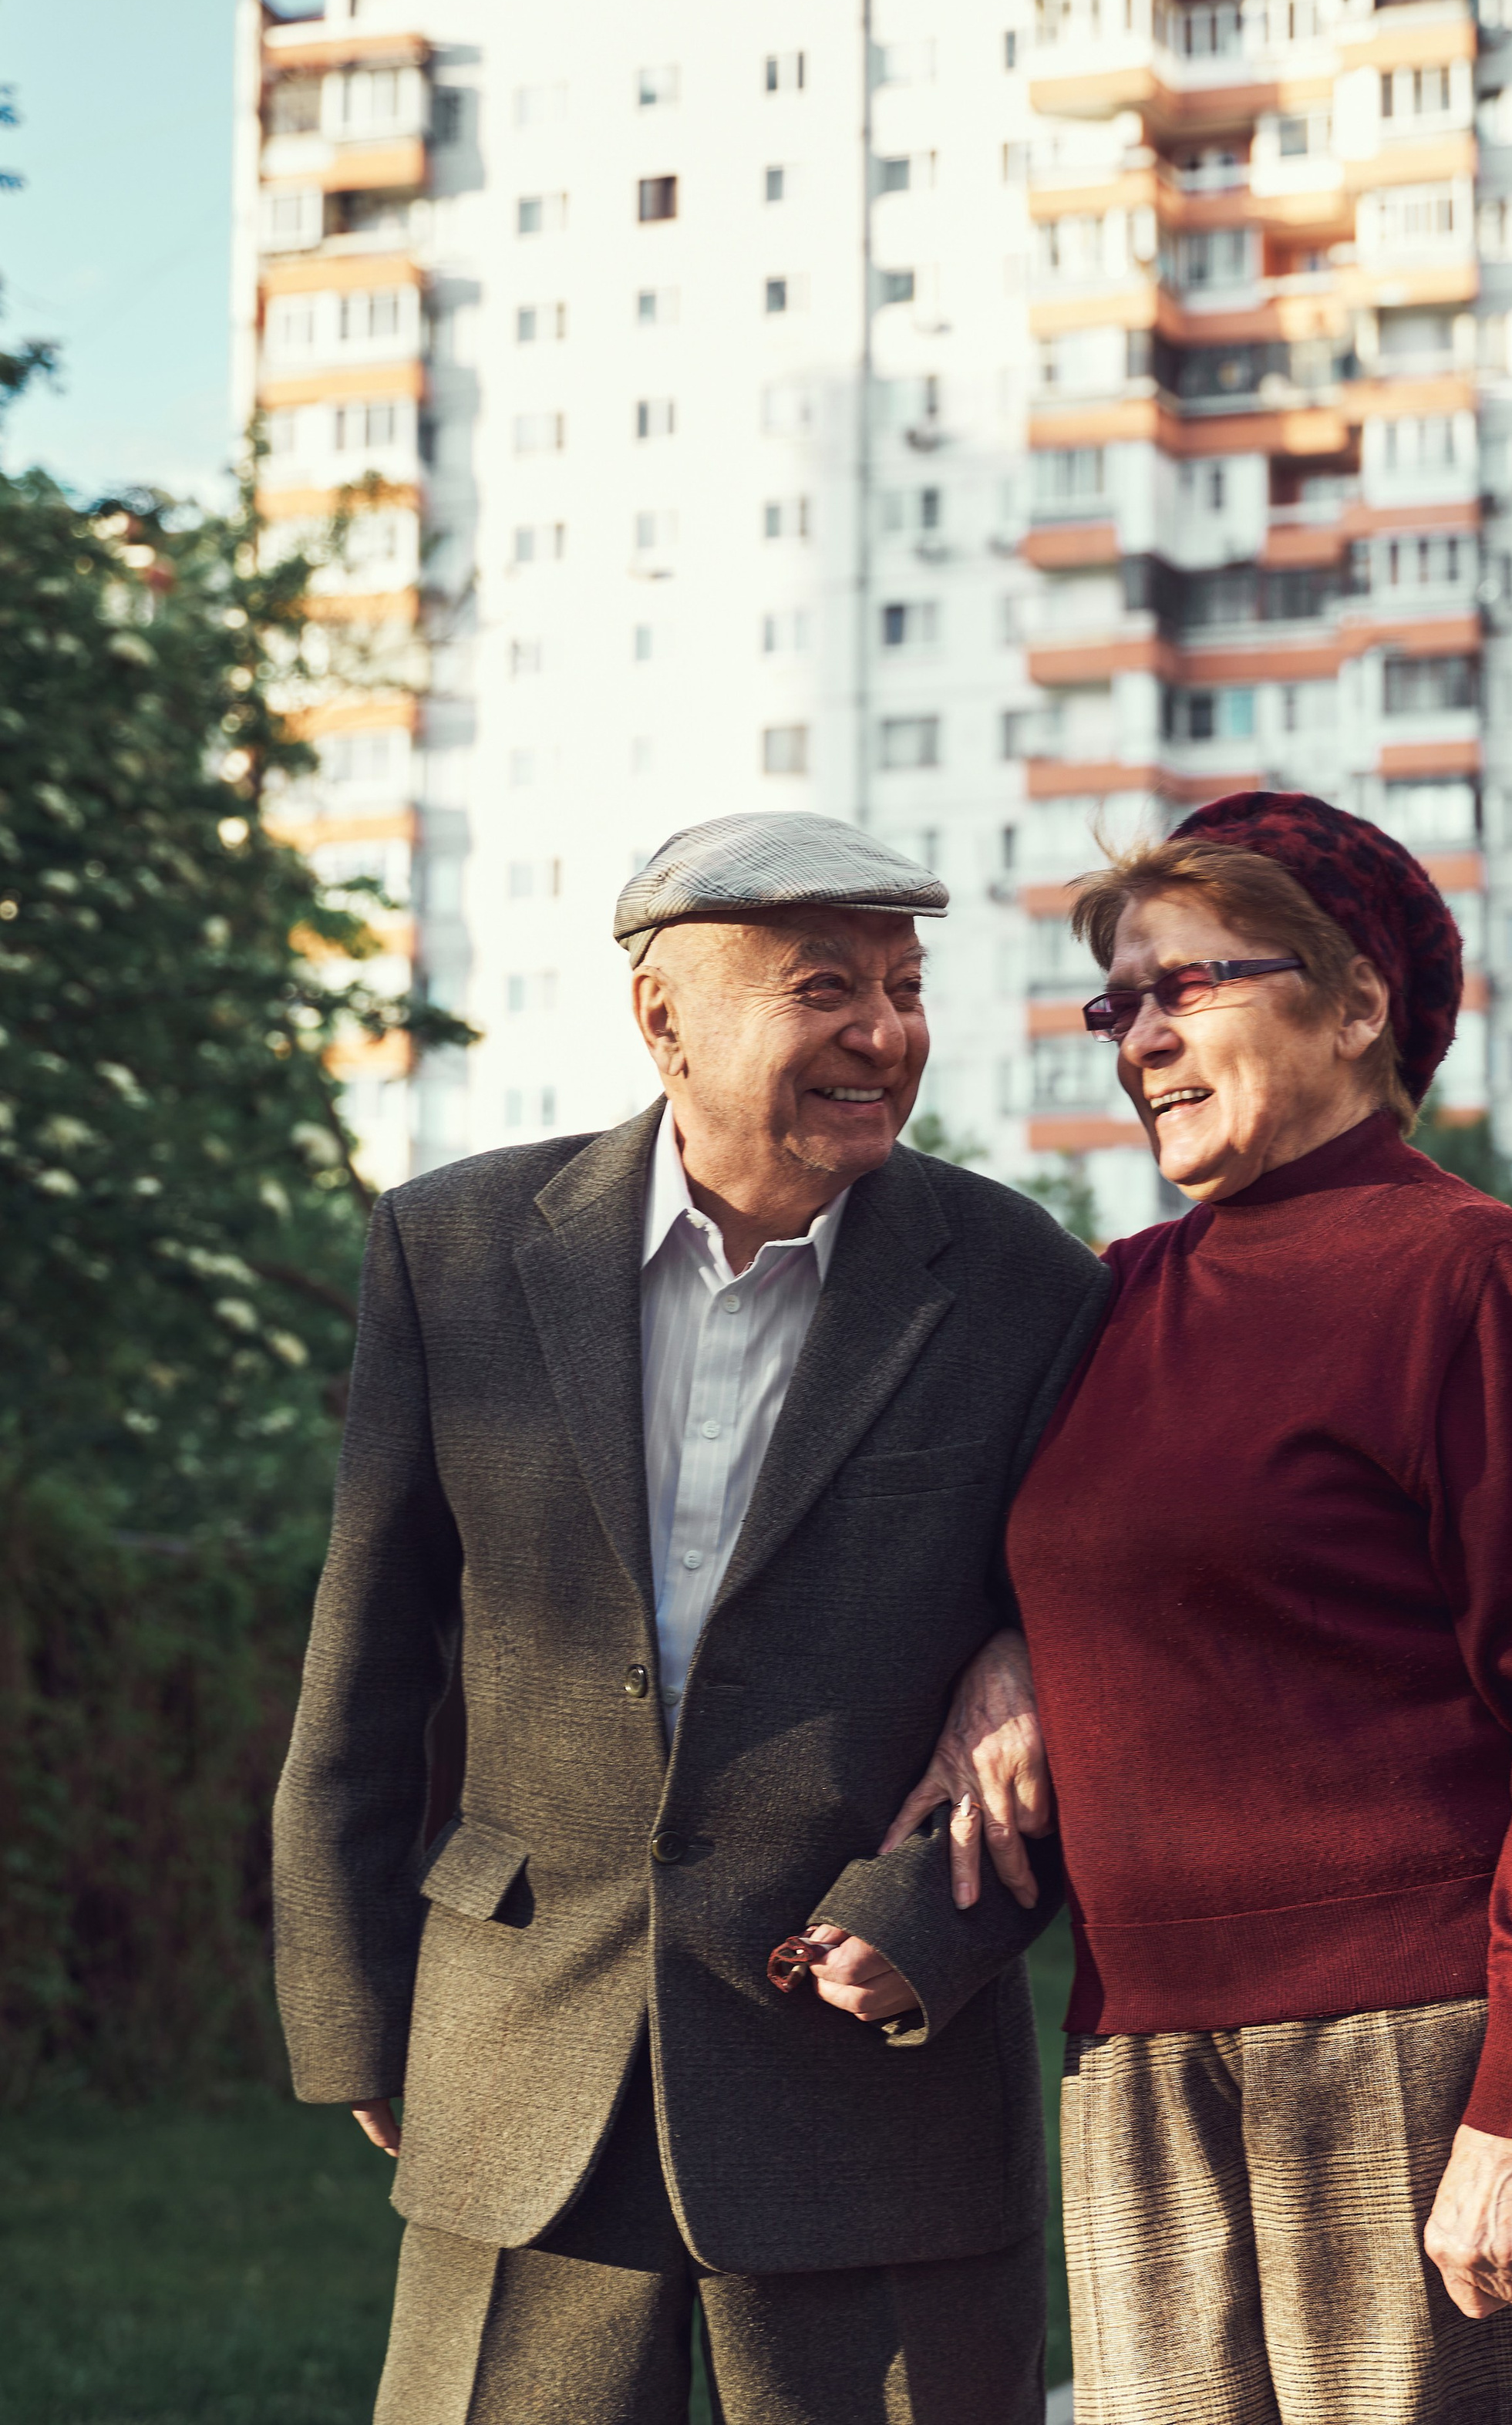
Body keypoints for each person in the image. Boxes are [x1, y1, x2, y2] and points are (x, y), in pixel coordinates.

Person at [272, 810, 1109, 2425]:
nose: (884, 1032)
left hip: (874, 2096)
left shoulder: (1024, 1282)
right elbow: (366, 1661)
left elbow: (1095, 1670)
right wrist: (353, 2008)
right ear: (663, 1017)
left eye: (904, 987)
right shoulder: (451, 1250)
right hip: (520, 2062)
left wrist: (930, 1920)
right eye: (826, 987)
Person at [888, 791, 1512, 2425]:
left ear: (1356, 1002)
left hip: (1409, 2055)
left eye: (1186, 985)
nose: (1138, 1039)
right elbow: (1060, 1569)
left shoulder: (1469, 1272)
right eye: (1117, 1003)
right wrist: (1003, 1653)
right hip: (1136, 2061)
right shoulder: (1111, 1298)